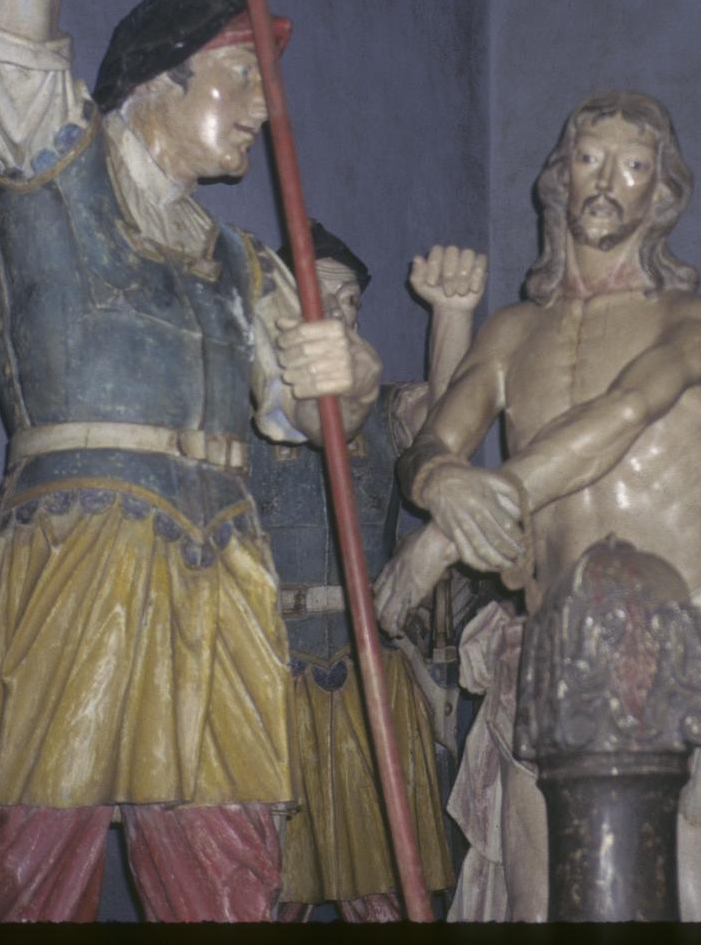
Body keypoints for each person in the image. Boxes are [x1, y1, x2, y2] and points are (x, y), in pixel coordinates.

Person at [0, 0, 377, 923]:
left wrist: (344, 377)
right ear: (157, 82)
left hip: (220, 576)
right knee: (31, 879)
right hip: (74, 553)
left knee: (230, 886)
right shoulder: (46, 165)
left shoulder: (244, 264)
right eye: (242, 75)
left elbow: (304, 413)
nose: (266, 108)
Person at [384, 90, 701, 921]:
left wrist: (446, 536)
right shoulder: (511, 332)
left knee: (677, 913)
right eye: (590, 159)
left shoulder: (697, 320)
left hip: (679, 632)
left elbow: (624, 413)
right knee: (535, 910)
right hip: (544, 637)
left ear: (660, 194)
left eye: (633, 165)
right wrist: (439, 484)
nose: (607, 180)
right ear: (560, 178)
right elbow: (431, 443)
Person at [251, 226, 485, 920]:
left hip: (368, 675)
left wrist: (450, 316)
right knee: (266, 888)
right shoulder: (237, 414)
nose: (341, 313)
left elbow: (447, 431)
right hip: (265, 671)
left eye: (351, 300)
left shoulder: (387, 410)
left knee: (381, 887)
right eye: (322, 297)